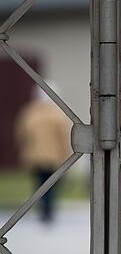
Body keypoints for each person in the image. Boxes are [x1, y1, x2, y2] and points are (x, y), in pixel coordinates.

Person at [14, 84, 72, 224]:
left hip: (35, 156)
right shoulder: (58, 114)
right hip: (54, 157)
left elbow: (21, 134)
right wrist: (66, 154)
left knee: (40, 184)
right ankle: (48, 210)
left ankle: (44, 210)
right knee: (51, 185)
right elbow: (64, 136)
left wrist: (26, 150)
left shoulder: (29, 113)